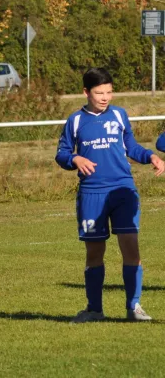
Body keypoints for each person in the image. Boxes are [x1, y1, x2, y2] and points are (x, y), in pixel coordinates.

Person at [55, 67, 165, 323]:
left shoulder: (119, 114)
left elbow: (131, 147)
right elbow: (61, 153)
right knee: (94, 253)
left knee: (132, 250)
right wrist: (75, 158)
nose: (105, 97)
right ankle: (94, 309)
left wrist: (150, 156)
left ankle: (134, 307)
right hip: (92, 194)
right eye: (99, 93)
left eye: (109, 92)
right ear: (86, 92)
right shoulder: (76, 121)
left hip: (123, 191)